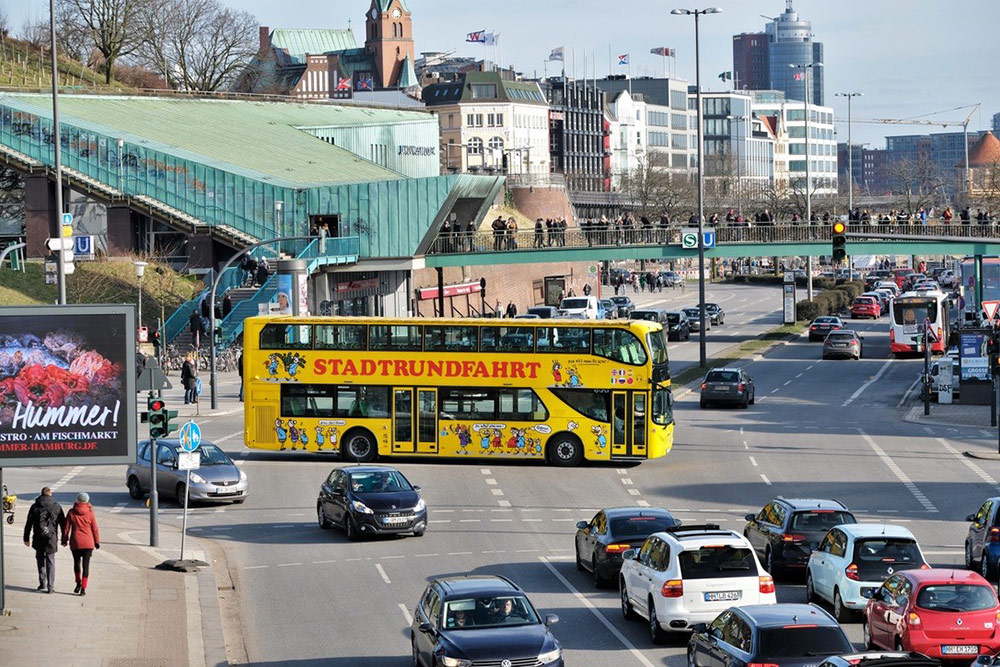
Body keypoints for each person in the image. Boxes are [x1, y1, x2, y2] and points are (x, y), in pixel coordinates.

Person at [23, 487, 65, 594]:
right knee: (51, 560)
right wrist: (65, 538)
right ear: (50, 494)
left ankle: (42, 582)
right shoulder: (56, 506)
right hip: (51, 538)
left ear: (41, 494)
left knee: (40, 559)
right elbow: (63, 524)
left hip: (38, 537)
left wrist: (26, 538)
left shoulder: (35, 506)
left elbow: (29, 523)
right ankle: (50, 587)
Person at [62, 492, 100, 596]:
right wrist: (96, 542)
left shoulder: (71, 512)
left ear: (77, 500)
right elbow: (95, 529)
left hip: (76, 542)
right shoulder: (90, 513)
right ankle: (83, 588)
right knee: (86, 566)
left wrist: (64, 540)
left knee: (76, 564)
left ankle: (78, 582)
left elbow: (66, 528)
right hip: (88, 543)